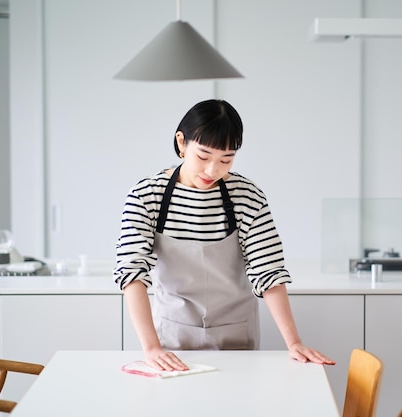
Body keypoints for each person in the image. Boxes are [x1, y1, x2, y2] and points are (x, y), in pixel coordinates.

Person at [113, 99, 335, 371]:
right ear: (181, 143)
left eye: (226, 160)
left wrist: (294, 343)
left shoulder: (247, 195)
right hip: (170, 340)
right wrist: (151, 347)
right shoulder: (147, 196)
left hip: (236, 336)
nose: (212, 171)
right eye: (203, 157)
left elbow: (269, 271)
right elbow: (131, 273)